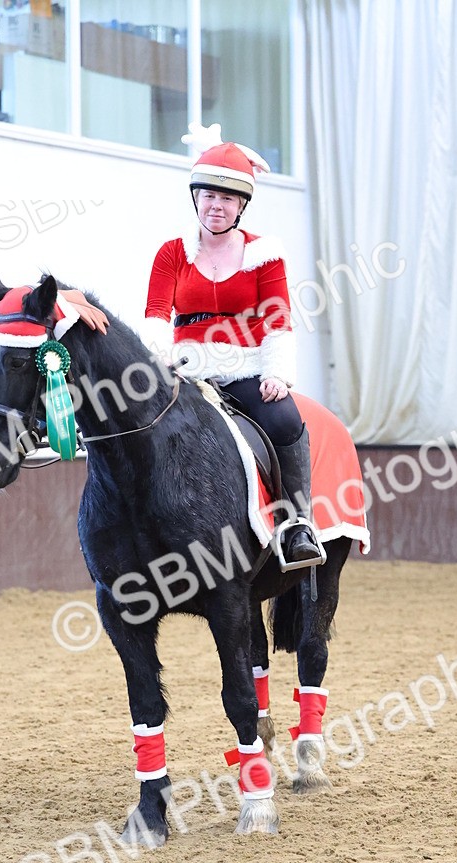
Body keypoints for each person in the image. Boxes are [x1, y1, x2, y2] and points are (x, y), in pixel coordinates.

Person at [141, 133, 324, 569]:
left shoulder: (266, 255)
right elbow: (154, 314)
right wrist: (158, 357)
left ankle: (297, 525)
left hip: (247, 370)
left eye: (227, 197)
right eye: (208, 195)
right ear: (195, 198)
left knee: (285, 420)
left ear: (242, 206)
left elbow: (278, 320)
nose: (216, 205)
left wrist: (277, 375)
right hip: (186, 371)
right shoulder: (172, 253)